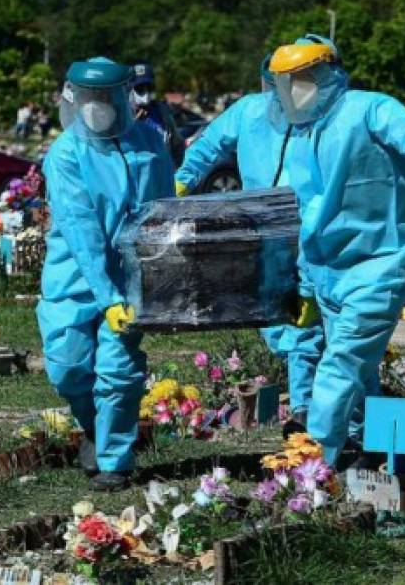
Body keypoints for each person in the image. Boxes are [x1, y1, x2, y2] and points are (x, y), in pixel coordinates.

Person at [269, 35, 405, 464]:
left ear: (328, 73)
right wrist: (302, 283)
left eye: (303, 78)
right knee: (360, 372)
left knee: (339, 365)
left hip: (380, 265)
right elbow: (304, 216)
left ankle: (313, 462)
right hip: (327, 272)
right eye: (286, 82)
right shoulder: (301, 138)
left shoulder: (369, 109)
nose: (294, 91)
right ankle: (372, 453)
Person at [36, 57, 175, 490]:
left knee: (119, 371)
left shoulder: (150, 142)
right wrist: (106, 295)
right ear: (72, 97)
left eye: (105, 96)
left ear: (123, 95)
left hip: (133, 273)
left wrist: (164, 274)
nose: (97, 106)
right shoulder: (66, 154)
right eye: (88, 97)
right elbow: (81, 231)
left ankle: (115, 460)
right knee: (67, 365)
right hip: (75, 274)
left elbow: (166, 212)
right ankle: (93, 426)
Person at [174, 54, 324, 432]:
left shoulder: (318, 116)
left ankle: (305, 404)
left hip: (306, 222)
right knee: (270, 311)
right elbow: (210, 144)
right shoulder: (249, 112)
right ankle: (302, 376)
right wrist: (185, 177)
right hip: (260, 226)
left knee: (305, 312)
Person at [129, 62, 182, 165]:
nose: (146, 93)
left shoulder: (162, 111)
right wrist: (135, 123)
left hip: (165, 172)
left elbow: (176, 143)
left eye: (149, 87)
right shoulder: (125, 115)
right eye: (140, 88)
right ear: (131, 89)